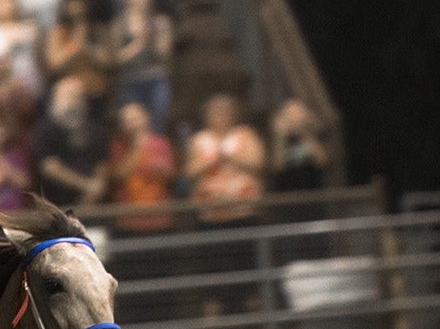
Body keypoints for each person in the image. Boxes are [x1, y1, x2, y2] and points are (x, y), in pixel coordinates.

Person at [185, 93, 267, 226]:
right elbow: (190, 171)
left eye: (225, 111)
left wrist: (231, 159)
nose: (221, 115)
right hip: (210, 211)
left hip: (244, 208)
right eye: (216, 111)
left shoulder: (246, 134)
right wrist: (212, 162)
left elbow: (258, 164)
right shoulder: (199, 139)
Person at [110, 0, 174, 134]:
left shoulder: (161, 22)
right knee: (132, 127)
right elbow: (114, 59)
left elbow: (164, 54)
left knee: (157, 124)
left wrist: (154, 38)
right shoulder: (119, 24)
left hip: (155, 79)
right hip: (130, 81)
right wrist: (138, 44)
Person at [33, 75, 107, 207]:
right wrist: (87, 186)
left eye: (78, 95)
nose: (74, 100)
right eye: (69, 95)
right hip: (57, 204)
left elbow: (102, 163)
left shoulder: (94, 128)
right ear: (56, 97)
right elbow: (50, 167)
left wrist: (93, 193)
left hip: (94, 204)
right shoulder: (45, 130)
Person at [106, 101, 178, 235]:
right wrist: (135, 148)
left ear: (146, 118)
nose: (133, 124)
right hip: (129, 218)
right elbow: (118, 177)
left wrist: (160, 169)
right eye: (127, 121)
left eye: (135, 119)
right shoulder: (119, 146)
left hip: (158, 216)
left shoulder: (161, 143)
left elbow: (172, 176)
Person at [269, 98, 331, 193]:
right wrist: (280, 138)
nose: (293, 119)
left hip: (312, 191)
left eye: (297, 113)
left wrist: (304, 133)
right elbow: (277, 167)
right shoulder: (278, 140)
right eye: (289, 114)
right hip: (286, 193)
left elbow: (322, 161)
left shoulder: (316, 135)